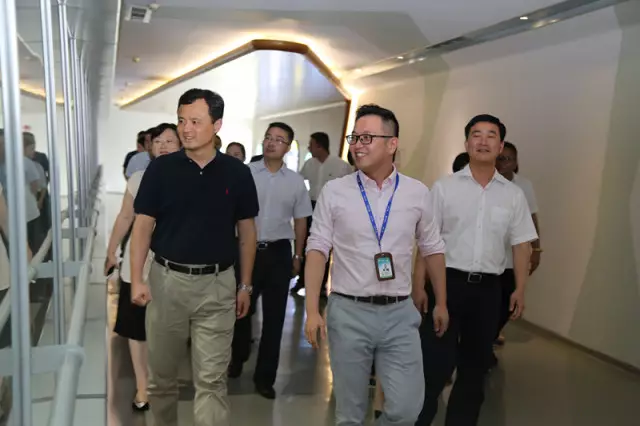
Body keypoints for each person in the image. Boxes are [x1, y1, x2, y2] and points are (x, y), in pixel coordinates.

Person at [304, 104, 448, 426]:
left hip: (399, 313)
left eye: (367, 137)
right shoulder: (335, 191)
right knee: (350, 414)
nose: (358, 144)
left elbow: (433, 248)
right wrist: (312, 309)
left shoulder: (416, 192)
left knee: (406, 410)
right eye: (355, 137)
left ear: (392, 144)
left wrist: (441, 301)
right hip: (348, 311)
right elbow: (317, 248)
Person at [129, 88, 259, 426]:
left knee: (212, 382)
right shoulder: (161, 170)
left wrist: (245, 285)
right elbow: (142, 227)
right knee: (161, 380)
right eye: (181, 121)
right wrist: (137, 279)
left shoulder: (237, 173)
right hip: (167, 283)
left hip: (218, 285)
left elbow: (247, 233)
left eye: (195, 122)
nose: (186, 129)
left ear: (217, 125)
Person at [416, 114, 538, 426]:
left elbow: (522, 245)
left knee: (474, 370)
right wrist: (419, 286)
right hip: (446, 284)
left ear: (500, 146)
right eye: (476, 134)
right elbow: (428, 243)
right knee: (434, 367)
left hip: (487, 291)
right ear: (467, 143)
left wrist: (520, 289)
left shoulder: (513, 195)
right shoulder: (444, 188)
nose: (483, 141)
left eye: (491, 135)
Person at [229, 123, 312, 399]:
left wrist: (298, 254)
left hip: (278, 253)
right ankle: (237, 357)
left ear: (288, 147)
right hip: (245, 251)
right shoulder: (246, 173)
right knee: (240, 310)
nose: (271, 143)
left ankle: (265, 377)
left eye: (279, 139)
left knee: (275, 319)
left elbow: (301, 221)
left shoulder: (296, 182)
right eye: (268, 137)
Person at [105, 123, 181, 412]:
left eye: (170, 140)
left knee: (166, 330)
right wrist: (111, 250)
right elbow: (126, 217)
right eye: (158, 141)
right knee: (136, 329)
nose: (163, 145)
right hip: (138, 263)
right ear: (150, 146)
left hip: (174, 264)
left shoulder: (191, 179)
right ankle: (141, 385)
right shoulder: (138, 178)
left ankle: (162, 380)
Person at [293, 132, 353, 295]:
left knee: (324, 247)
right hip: (311, 207)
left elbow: (349, 190)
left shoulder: (340, 166)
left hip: (331, 211)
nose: (309, 148)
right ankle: (301, 281)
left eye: (311, 145)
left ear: (320, 146)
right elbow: (299, 182)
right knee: (306, 244)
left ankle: (320, 286)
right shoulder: (309, 164)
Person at [495, 141, 541, 345]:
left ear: (515, 163)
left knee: (509, 300)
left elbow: (532, 217)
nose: (503, 163)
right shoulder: (487, 182)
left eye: (508, 159)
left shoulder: (523, 186)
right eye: (499, 158)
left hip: (514, 256)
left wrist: (536, 248)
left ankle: (492, 334)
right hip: (490, 256)